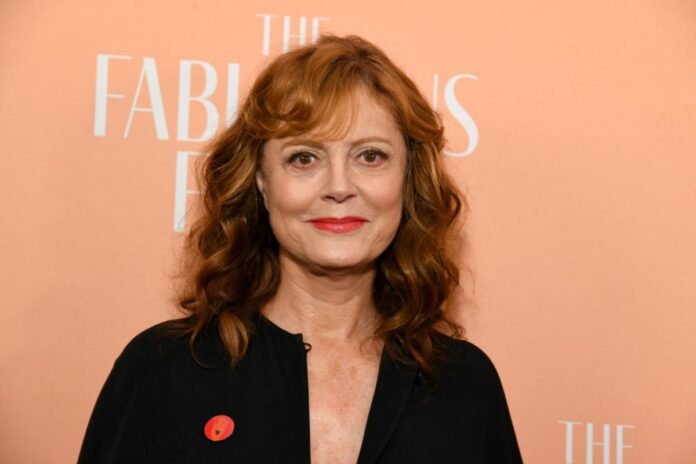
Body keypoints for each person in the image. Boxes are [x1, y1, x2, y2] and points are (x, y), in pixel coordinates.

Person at [78, 34, 523, 463]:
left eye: (370, 156)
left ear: (408, 179)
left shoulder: (466, 385)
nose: (339, 187)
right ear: (261, 182)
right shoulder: (160, 371)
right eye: (304, 158)